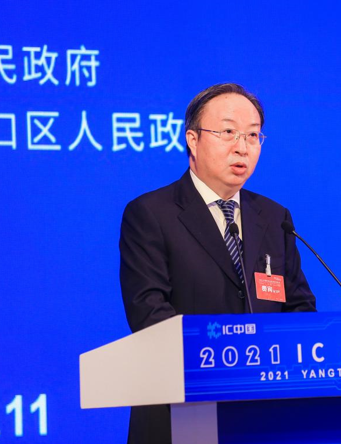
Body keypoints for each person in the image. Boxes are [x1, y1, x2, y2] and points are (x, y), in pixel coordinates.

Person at [119, 83, 317, 444]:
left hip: (265, 415)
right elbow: (148, 314)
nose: (242, 147)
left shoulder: (274, 218)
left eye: (253, 135)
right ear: (192, 140)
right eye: (228, 132)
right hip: (182, 412)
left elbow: (300, 308)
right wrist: (225, 359)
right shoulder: (151, 214)